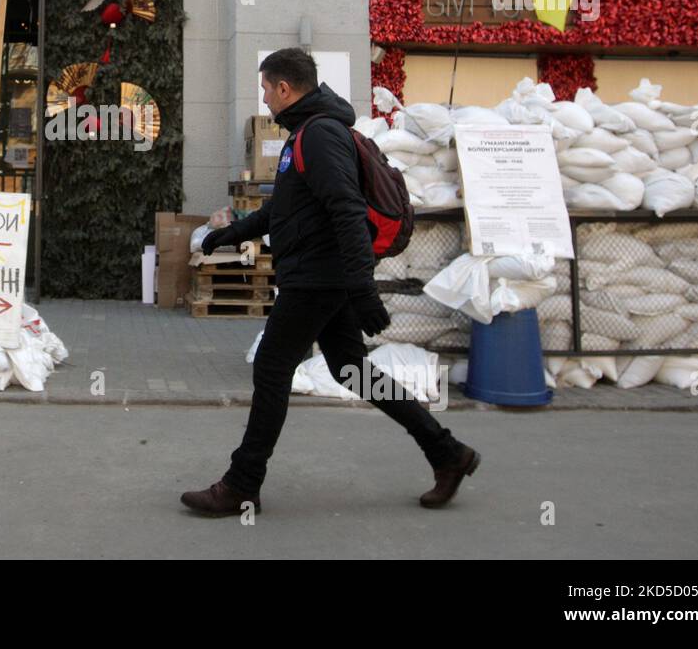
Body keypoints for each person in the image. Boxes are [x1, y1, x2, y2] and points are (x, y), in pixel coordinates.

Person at [181, 48, 479, 516]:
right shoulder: (306, 135)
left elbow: (347, 211)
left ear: (283, 88)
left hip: (317, 278)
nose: (264, 98)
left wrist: (362, 291)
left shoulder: (318, 136)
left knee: (273, 367)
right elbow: (284, 210)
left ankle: (242, 483)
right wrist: (230, 233)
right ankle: (446, 452)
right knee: (352, 370)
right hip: (322, 275)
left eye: (264, 89)